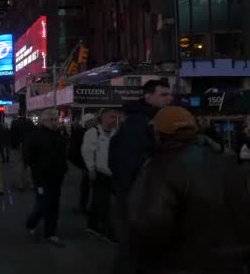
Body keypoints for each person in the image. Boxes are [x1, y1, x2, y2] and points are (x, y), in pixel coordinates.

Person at [128, 106, 250, 273]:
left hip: (186, 264)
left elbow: (149, 225)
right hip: (232, 262)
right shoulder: (228, 164)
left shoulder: (159, 168)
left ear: (159, 134)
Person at [109, 78, 172, 273]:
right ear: (148, 96)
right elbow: (128, 164)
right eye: (163, 94)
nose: (169, 98)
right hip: (140, 197)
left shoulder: (153, 120)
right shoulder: (140, 124)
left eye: (169, 94)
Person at [24, 109, 68, 247]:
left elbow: (63, 154)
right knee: (43, 203)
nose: (55, 122)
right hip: (41, 178)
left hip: (57, 176)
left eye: (56, 119)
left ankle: (51, 233)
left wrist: (63, 169)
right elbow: (28, 156)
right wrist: (36, 172)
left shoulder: (59, 135)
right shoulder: (35, 136)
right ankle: (31, 222)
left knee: (54, 205)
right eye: (52, 120)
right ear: (43, 121)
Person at [81, 109, 117, 243]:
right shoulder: (93, 132)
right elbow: (87, 151)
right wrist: (91, 168)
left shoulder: (114, 133)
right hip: (99, 173)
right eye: (111, 116)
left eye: (115, 117)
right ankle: (109, 233)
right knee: (105, 204)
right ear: (103, 118)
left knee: (98, 201)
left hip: (111, 173)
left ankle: (92, 225)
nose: (114, 119)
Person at [69, 113, 98, 214]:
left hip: (88, 164)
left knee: (87, 186)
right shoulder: (92, 131)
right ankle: (90, 207)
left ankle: (86, 207)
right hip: (90, 164)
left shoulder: (89, 132)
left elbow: (83, 150)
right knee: (90, 186)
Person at [11, 114, 34, 191]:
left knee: (20, 165)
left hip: (18, 146)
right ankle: (31, 183)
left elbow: (12, 135)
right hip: (28, 146)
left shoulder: (14, 123)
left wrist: (14, 145)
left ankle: (21, 184)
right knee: (30, 165)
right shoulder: (30, 122)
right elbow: (34, 134)